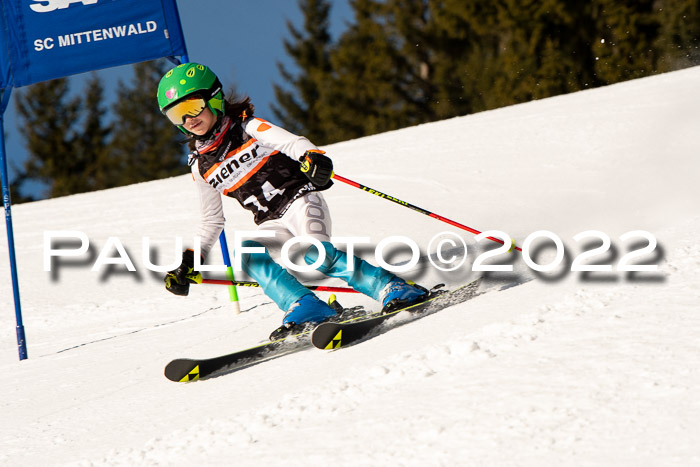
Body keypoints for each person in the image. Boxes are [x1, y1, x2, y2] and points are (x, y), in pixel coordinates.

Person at [156, 62, 428, 337]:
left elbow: (293, 143)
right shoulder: (199, 166)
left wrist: (312, 158)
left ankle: (391, 287)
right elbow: (211, 220)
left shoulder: (248, 128)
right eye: (176, 114)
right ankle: (305, 304)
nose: (188, 119)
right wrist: (190, 261)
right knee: (248, 254)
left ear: (214, 98)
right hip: (270, 222)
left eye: (192, 106)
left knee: (314, 254)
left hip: (299, 200)